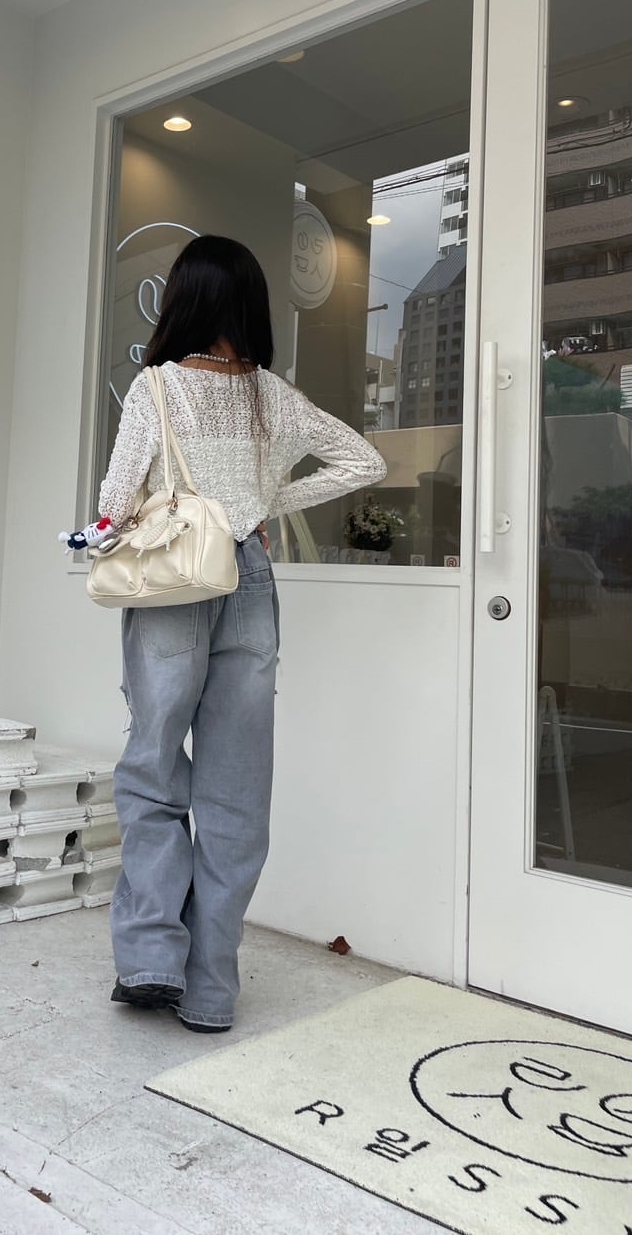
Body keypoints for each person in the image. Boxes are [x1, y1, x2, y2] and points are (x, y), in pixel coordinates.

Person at [97, 234, 386, 1033]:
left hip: (174, 582)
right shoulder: (273, 396)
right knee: (236, 791)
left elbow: (115, 503)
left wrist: (113, 529)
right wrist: (257, 508)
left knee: (154, 766)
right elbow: (362, 461)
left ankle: (152, 955)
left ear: (183, 301)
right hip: (249, 577)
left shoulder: (157, 387)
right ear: (251, 305)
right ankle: (211, 992)